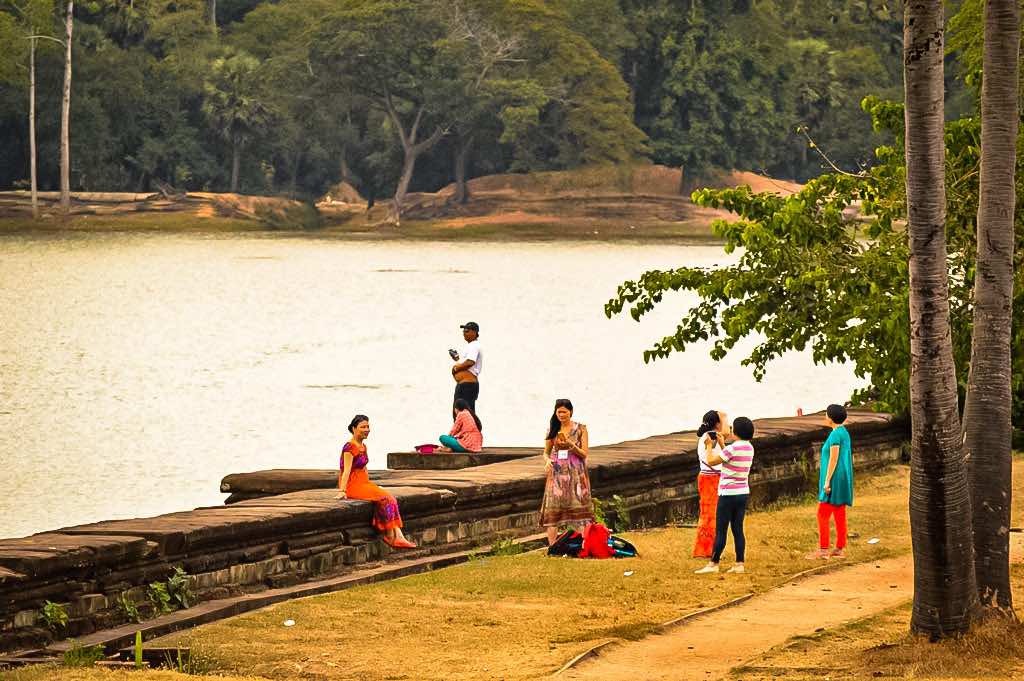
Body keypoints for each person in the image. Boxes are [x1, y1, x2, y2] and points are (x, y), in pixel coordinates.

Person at [337, 415, 416, 549]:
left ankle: (397, 535)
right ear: (353, 428)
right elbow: (346, 470)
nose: (367, 429)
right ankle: (391, 536)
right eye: (363, 427)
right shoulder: (349, 447)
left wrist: (372, 485)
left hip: (364, 483)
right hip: (353, 486)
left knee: (389, 498)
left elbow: (364, 468)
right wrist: (342, 491)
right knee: (387, 498)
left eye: (368, 426)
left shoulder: (363, 446)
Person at [695, 416, 755, 574]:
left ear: (736, 432)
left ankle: (713, 563)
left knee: (721, 530)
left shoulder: (732, 449)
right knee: (737, 529)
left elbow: (711, 460)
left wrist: (709, 445)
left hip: (727, 493)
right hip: (742, 492)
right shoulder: (749, 448)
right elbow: (730, 459)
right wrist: (722, 444)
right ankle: (739, 563)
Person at [540, 399, 594, 545]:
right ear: (555, 412)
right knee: (554, 509)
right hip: (557, 473)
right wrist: (547, 460)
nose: (562, 415)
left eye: (564, 411)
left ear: (571, 412)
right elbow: (546, 452)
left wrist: (571, 445)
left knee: (578, 508)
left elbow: (584, 453)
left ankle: (583, 544)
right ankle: (552, 546)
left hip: (576, 473)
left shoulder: (581, 429)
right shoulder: (553, 430)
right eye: (559, 412)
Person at [807, 404, 854, 560]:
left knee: (822, 514)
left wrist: (827, 481)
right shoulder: (844, 432)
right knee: (839, 511)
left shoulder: (835, 435)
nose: (825, 417)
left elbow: (834, 458)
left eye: (826, 414)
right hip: (843, 476)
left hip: (834, 476)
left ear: (830, 418)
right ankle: (840, 548)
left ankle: (823, 549)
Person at [693, 410, 727, 559]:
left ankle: (711, 547)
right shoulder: (707, 439)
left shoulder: (712, 437)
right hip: (709, 479)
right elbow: (710, 460)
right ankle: (704, 549)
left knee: (714, 515)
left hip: (713, 478)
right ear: (717, 424)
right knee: (709, 514)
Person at [451, 322, 482, 411]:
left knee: (462, 414)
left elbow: (470, 362)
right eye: (463, 331)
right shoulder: (471, 346)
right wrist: (457, 359)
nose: (464, 333)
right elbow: (467, 363)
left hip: (467, 385)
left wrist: (456, 368)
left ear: (474, 332)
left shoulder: (474, 345)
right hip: (466, 385)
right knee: (465, 413)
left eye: (467, 330)